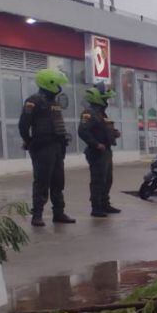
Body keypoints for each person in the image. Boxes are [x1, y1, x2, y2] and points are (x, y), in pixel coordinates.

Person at [19, 68, 75, 226]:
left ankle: (59, 213)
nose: (58, 86)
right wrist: (29, 141)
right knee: (41, 182)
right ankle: (37, 215)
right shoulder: (33, 101)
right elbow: (23, 125)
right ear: (48, 83)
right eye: (56, 83)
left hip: (57, 146)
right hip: (43, 147)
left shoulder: (53, 102)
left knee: (58, 181)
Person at [77, 84, 121, 217]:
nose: (107, 101)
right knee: (98, 180)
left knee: (108, 179)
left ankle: (105, 204)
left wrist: (115, 133)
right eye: (105, 99)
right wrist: (96, 144)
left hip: (106, 151)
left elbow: (104, 128)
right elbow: (82, 131)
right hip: (96, 152)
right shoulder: (88, 113)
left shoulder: (101, 113)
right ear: (97, 98)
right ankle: (96, 207)